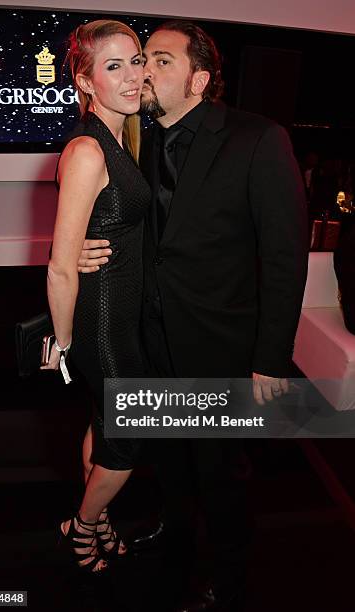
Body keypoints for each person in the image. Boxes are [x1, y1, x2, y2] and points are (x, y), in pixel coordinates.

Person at [78, 20, 309, 610]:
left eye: (157, 60)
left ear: (199, 79)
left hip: (221, 345)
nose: (141, 73)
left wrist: (270, 358)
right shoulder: (137, 138)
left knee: (221, 474)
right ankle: (174, 534)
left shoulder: (258, 138)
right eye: (136, 61)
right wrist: (83, 245)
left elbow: (283, 256)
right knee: (170, 457)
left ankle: (229, 582)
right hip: (150, 336)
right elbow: (125, 225)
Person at [42, 20, 150, 574]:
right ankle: (83, 526)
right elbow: (61, 267)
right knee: (128, 437)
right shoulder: (87, 148)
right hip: (99, 323)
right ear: (84, 82)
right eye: (113, 67)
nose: (133, 76)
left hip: (118, 315)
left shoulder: (120, 136)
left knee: (104, 425)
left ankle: (97, 517)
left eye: (135, 60)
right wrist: (62, 343)